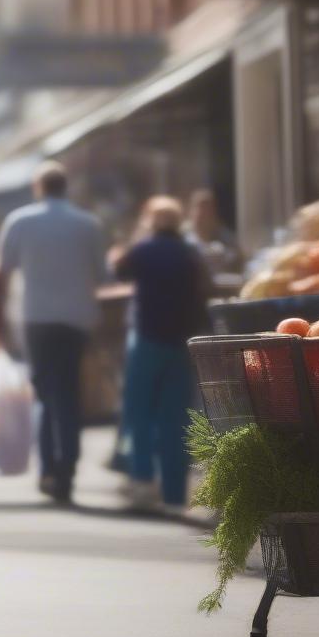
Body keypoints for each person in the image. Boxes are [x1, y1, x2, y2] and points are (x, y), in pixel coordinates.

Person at [0, 161, 105, 504]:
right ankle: (67, 468)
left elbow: (3, 273)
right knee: (69, 393)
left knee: (44, 392)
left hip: (37, 318)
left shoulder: (20, 221)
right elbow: (102, 275)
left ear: (38, 187)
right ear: (65, 187)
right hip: (76, 318)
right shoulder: (88, 224)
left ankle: (47, 469)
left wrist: (0, 319)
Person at [113, 196, 211, 512]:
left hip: (147, 340)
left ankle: (142, 481)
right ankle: (174, 492)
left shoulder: (143, 250)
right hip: (181, 342)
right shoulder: (190, 254)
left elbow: (118, 271)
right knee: (175, 417)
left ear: (150, 222)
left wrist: (129, 243)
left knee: (140, 412)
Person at [183, 188, 242, 278]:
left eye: (207, 209)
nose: (203, 214)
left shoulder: (225, 235)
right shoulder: (183, 234)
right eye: (199, 208)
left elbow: (236, 259)